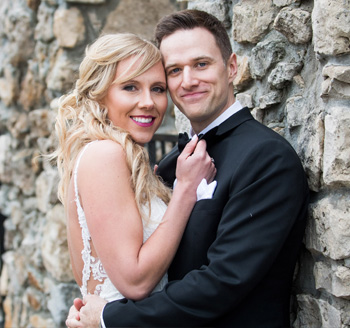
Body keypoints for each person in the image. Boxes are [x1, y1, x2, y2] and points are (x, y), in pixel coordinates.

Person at [66, 10, 309, 328]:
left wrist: (110, 317)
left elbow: (224, 280)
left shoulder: (267, 158)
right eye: (174, 71)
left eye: (201, 64)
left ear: (231, 67)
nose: (188, 80)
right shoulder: (169, 166)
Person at [53, 32, 216, 312]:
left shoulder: (108, 156)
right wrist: (186, 190)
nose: (148, 102)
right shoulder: (105, 155)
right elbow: (135, 282)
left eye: (157, 88)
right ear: (100, 92)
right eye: (130, 87)